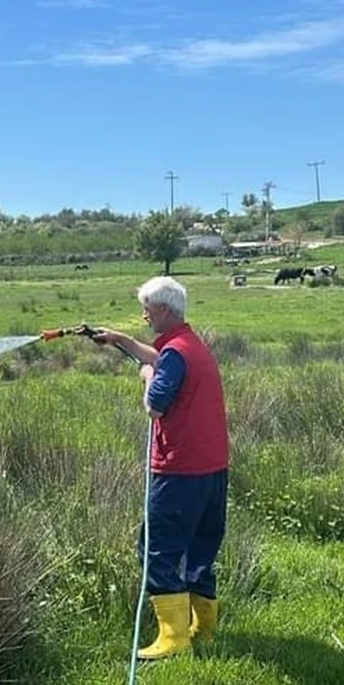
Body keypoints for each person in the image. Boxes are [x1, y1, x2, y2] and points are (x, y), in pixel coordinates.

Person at [90, 275, 230, 660]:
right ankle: (204, 630)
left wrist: (147, 377)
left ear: (164, 310)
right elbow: (161, 358)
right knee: (200, 548)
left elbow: (155, 405)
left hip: (179, 470)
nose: (144, 315)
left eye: (148, 310)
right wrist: (119, 340)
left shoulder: (173, 357)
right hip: (212, 470)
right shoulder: (190, 345)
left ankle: (173, 639)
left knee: (159, 549)